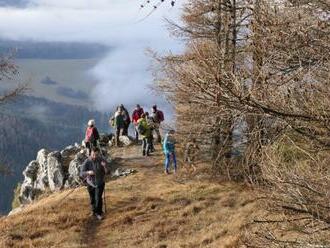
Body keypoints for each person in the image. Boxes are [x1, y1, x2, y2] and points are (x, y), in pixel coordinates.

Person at [80, 147, 108, 220]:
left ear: (98, 154)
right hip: (90, 184)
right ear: (90, 153)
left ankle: (99, 213)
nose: (94, 156)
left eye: (96, 155)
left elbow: (107, 172)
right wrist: (88, 172)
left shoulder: (101, 160)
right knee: (92, 198)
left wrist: (104, 166)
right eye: (93, 155)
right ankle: (93, 211)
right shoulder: (87, 162)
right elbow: (81, 173)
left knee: (98, 198)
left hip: (100, 183)